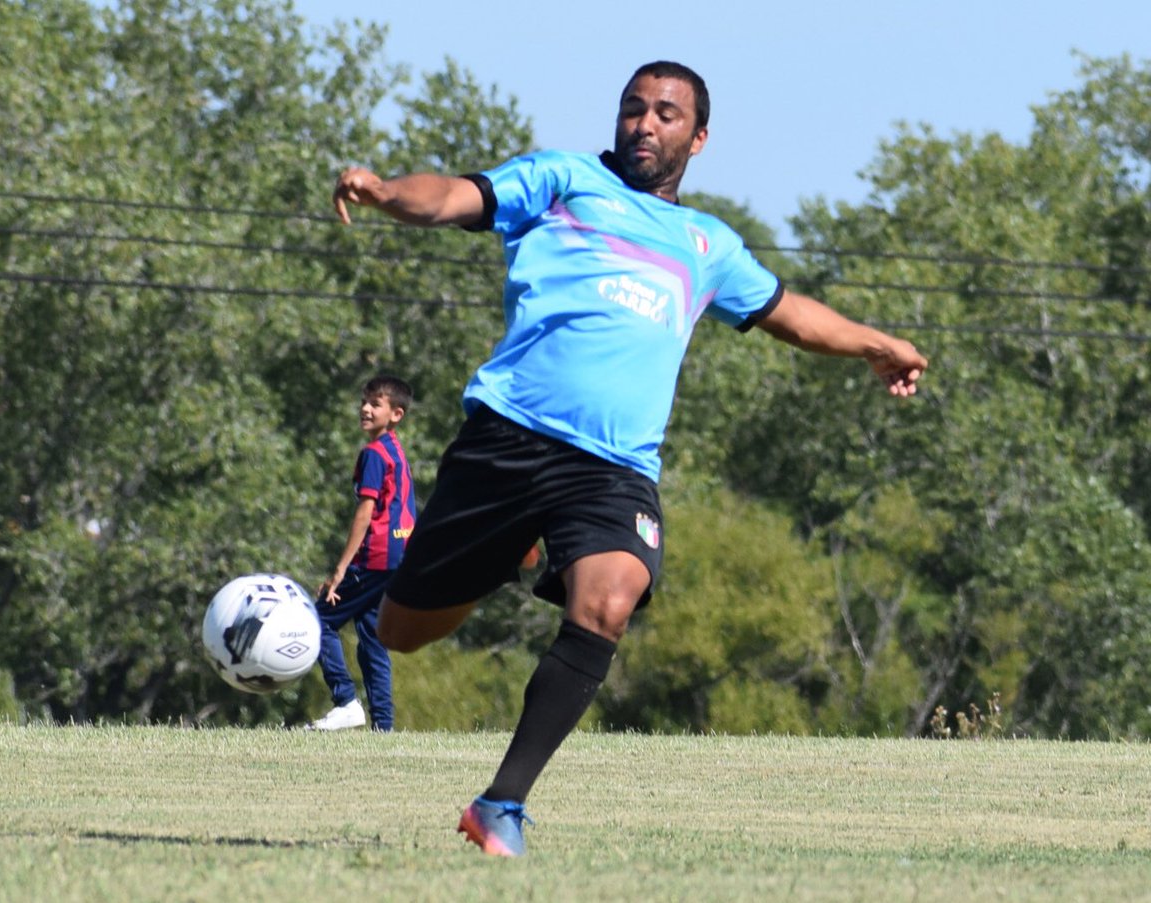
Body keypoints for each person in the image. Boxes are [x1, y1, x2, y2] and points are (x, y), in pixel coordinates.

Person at [331, 61, 927, 854]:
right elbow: (453, 195)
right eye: (633, 109)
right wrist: (385, 192)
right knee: (404, 631)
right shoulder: (561, 180)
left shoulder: (708, 244)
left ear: (699, 137)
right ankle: (511, 546)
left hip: (611, 467)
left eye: (667, 114)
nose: (646, 124)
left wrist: (876, 345)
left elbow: (789, 313)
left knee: (609, 601)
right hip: (506, 441)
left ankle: (499, 803)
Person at [305, 375, 416, 732]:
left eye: (376, 404)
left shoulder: (373, 454)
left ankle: (345, 701)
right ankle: (383, 726)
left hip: (377, 555)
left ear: (396, 414)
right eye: (365, 402)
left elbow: (365, 513)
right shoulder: (394, 449)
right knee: (371, 636)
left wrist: (340, 570)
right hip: (400, 554)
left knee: (318, 620)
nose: (366, 409)